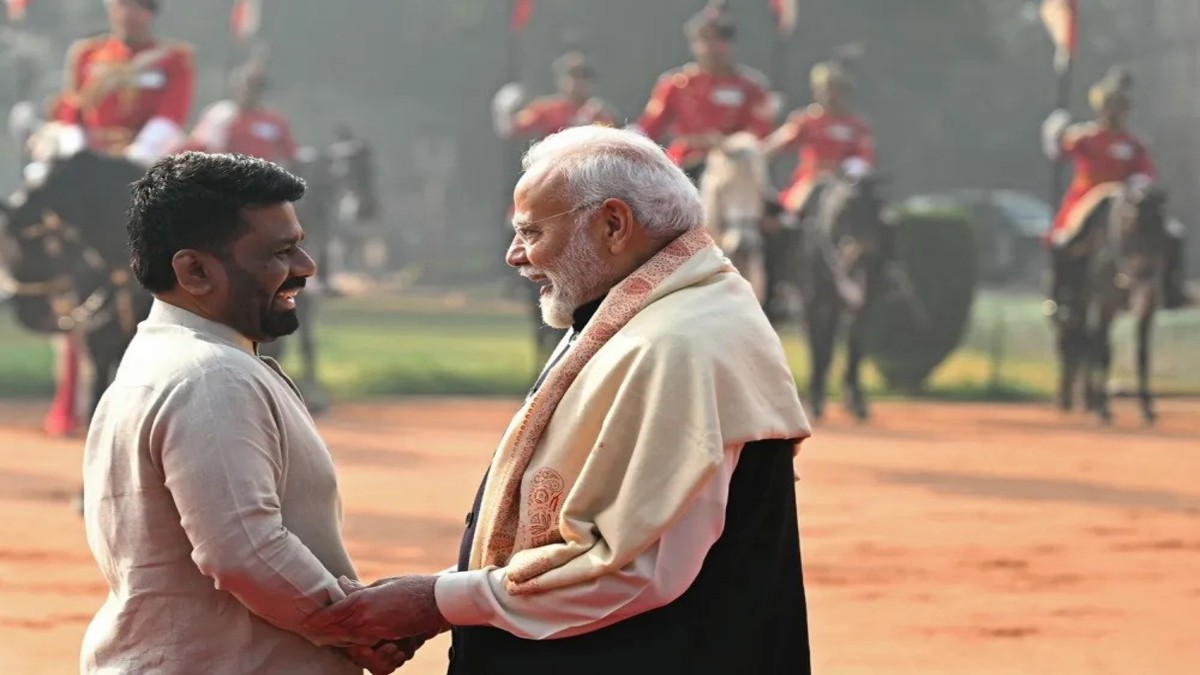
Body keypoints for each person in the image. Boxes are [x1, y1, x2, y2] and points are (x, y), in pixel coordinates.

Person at [302, 126, 814, 675]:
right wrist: (447, 603)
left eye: (531, 232)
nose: (514, 256)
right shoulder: (644, 311)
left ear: (614, 225)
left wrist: (439, 600)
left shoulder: (682, 342)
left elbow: (637, 568)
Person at [80, 152, 409, 675]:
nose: (305, 267)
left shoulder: (170, 357)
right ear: (193, 270)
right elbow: (246, 552)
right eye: (279, 253)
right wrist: (357, 627)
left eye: (299, 244)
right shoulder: (211, 376)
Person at [41, 0, 196, 438]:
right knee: (37, 209)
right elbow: (71, 113)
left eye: (138, 8)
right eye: (121, 6)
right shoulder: (86, 55)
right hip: (86, 163)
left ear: (151, 14)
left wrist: (128, 164)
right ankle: (34, 284)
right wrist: (78, 157)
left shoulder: (173, 59)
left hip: (141, 161)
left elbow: (171, 115)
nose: (128, 15)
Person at [1042, 68, 1192, 312]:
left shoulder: (1133, 143)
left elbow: (1146, 172)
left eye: (1121, 107)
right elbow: (1059, 152)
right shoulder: (1086, 137)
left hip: (1124, 200)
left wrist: (1138, 183)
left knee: (1172, 234)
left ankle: (1172, 290)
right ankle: (1059, 296)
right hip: (1087, 199)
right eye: (1112, 106)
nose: (1116, 112)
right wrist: (1055, 132)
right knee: (1063, 242)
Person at [631, 4, 776, 184]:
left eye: (720, 39)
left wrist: (727, 145)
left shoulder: (751, 87)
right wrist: (625, 141)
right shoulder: (676, 83)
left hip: (735, 166)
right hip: (684, 164)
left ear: (731, 43)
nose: (712, 47)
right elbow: (649, 126)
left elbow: (759, 132)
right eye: (704, 39)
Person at [765, 60, 876, 218]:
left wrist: (849, 172)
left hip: (844, 183)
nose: (830, 96)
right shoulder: (806, 120)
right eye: (825, 90)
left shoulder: (857, 126)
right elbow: (776, 145)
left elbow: (864, 157)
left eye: (835, 90)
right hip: (809, 181)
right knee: (791, 212)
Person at [182, 60, 298, 167]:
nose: (249, 91)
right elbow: (199, 146)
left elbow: (290, 153)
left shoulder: (274, 121)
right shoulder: (221, 114)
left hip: (264, 178)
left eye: (255, 87)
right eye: (246, 85)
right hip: (229, 174)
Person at [492, 51, 620, 141]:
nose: (579, 82)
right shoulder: (546, 109)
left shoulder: (600, 112)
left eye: (585, 76)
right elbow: (513, 129)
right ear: (562, 80)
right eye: (574, 76)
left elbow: (613, 140)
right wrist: (504, 107)